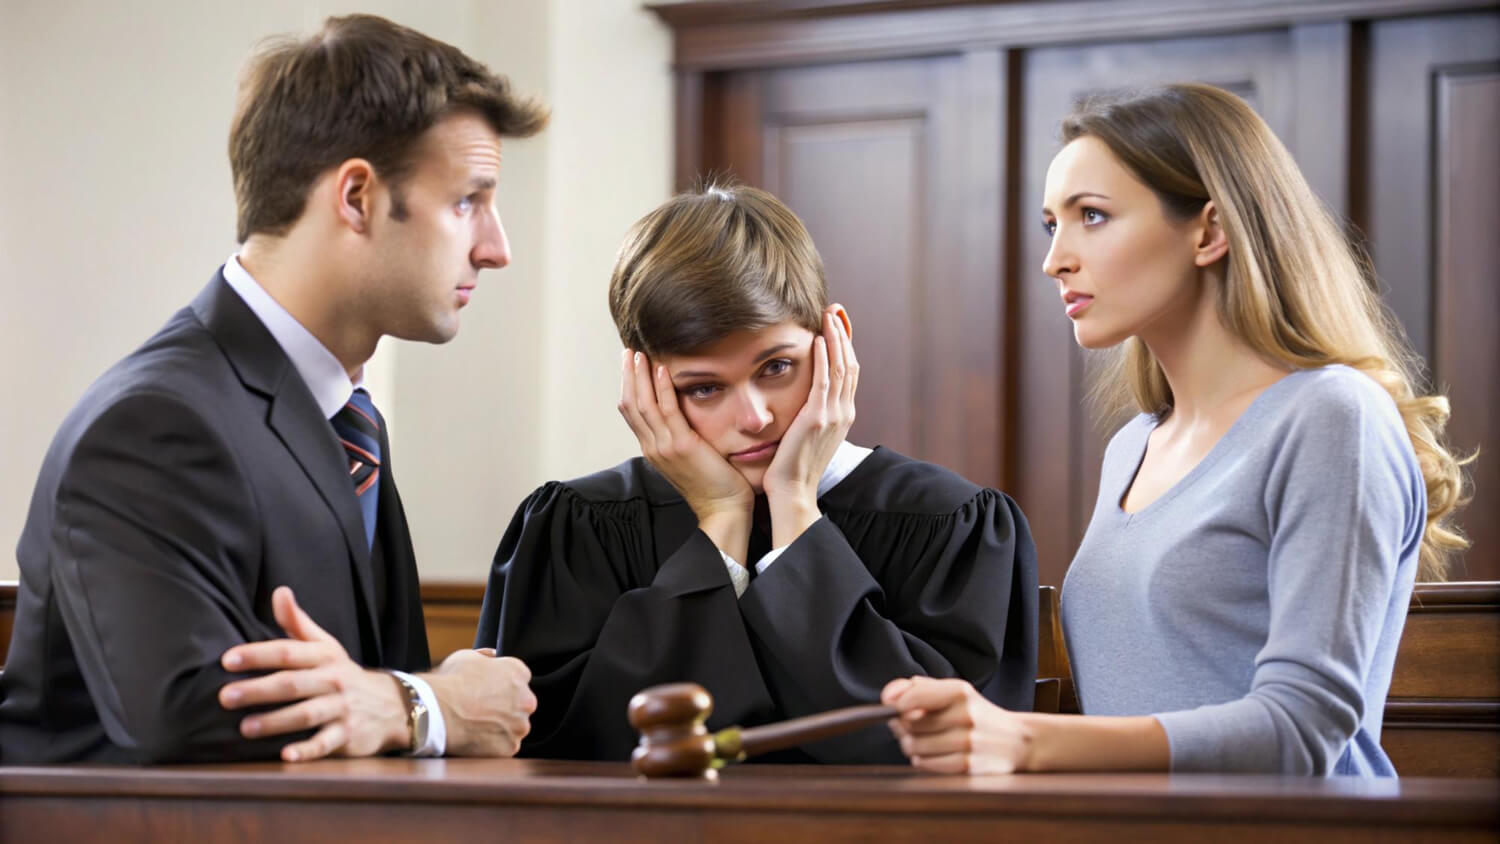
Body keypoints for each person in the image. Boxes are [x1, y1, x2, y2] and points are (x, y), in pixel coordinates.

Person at [0, 14, 548, 764]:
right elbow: (184, 719)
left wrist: (407, 701)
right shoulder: (152, 425)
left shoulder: (350, 420)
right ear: (356, 196)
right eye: (466, 202)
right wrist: (428, 703)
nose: (497, 248)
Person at [881, 83, 1470, 776]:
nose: (1055, 259)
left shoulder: (1333, 417)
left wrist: (1026, 741)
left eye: (1092, 217)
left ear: (1210, 231)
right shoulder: (1133, 447)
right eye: (1051, 225)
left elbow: (1303, 730)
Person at [477, 184, 1038, 764]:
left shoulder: (950, 525)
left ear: (834, 339)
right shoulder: (578, 529)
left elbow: (930, 753)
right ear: (644, 383)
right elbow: (578, 756)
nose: (754, 417)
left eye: (776, 367)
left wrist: (794, 505)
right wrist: (722, 521)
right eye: (704, 387)